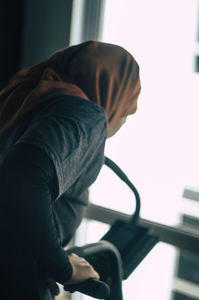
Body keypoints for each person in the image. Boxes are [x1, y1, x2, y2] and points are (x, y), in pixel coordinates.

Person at [0, 40, 141, 299]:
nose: (121, 120)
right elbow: (24, 177)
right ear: (114, 95)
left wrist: (43, 261)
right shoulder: (86, 114)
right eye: (127, 112)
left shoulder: (33, 101)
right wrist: (63, 268)